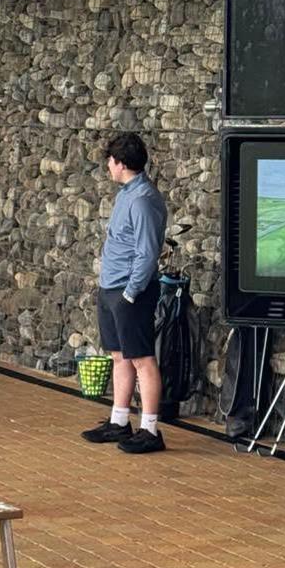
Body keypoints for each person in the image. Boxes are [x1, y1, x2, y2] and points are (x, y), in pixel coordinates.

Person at [82, 131, 169, 455]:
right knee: (119, 355)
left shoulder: (144, 199)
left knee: (142, 359)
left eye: (110, 161)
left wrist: (131, 293)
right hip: (111, 288)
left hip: (129, 292)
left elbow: (147, 252)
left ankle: (150, 429)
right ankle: (120, 421)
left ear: (119, 163)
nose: (108, 166)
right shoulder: (126, 193)